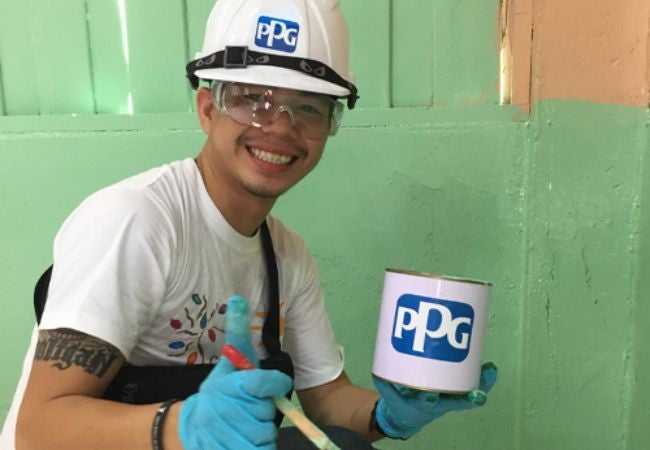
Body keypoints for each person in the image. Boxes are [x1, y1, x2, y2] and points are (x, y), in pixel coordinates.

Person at [1, 0, 497, 449]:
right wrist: (184, 426)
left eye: (308, 108)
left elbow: (326, 401)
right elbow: (38, 428)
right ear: (206, 109)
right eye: (252, 99)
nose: (280, 125)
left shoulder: (287, 257)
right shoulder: (137, 220)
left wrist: (391, 415)